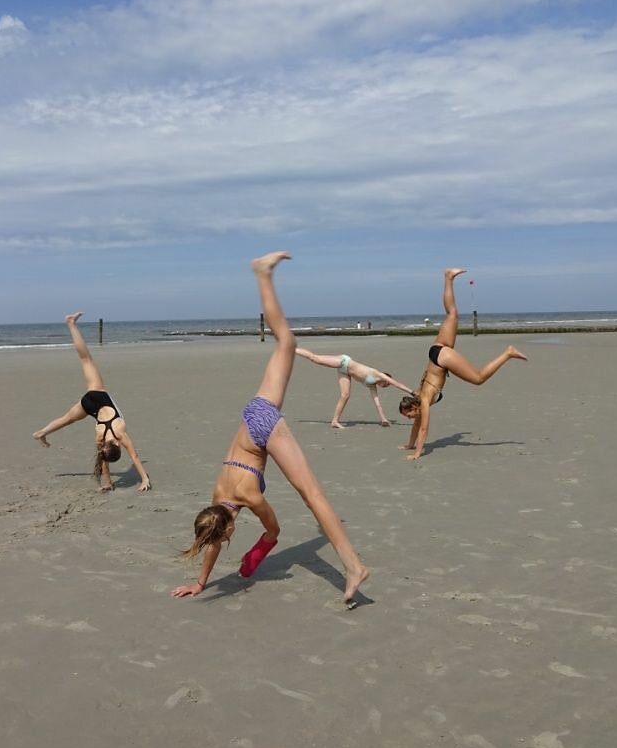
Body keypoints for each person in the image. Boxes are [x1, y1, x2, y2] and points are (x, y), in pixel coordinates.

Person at [173, 252, 369, 606]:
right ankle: (262, 275)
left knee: (313, 496)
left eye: (227, 536)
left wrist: (255, 557)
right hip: (252, 415)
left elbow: (274, 532)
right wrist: (201, 583)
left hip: (262, 427)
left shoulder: (248, 498)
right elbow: (212, 538)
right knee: (287, 342)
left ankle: (353, 566)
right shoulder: (217, 494)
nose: (227, 538)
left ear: (228, 527)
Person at [399, 269, 527, 461]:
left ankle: (508, 353)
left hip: (441, 359)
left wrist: (417, 453)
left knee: (478, 378)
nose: (409, 419)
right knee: (452, 314)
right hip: (435, 352)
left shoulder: (423, 402)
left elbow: (424, 428)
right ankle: (448, 277)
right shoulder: (417, 399)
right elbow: (417, 425)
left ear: (413, 408)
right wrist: (409, 444)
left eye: (408, 415)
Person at [33, 312, 152, 492]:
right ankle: (42, 432)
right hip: (90, 405)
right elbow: (109, 456)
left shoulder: (120, 435)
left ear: (117, 445)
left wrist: (144, 478)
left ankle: (71, 323)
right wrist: (113, 481)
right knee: (67, 419)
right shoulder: (101, 437)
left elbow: (134, 457)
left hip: (97, 395)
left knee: (86, 359)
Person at [295, 347, 414, 428]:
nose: (386, 386)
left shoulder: (372, 385)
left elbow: (377, 402)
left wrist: (383, 419)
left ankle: (334, 421)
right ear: (385, 379)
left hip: (346, 372)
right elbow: (397, 384)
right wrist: (412, 392)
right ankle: (292, 348)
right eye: (387, 384)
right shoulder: (378, 374)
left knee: (345, 395)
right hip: (344, 362)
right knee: (315, 358)